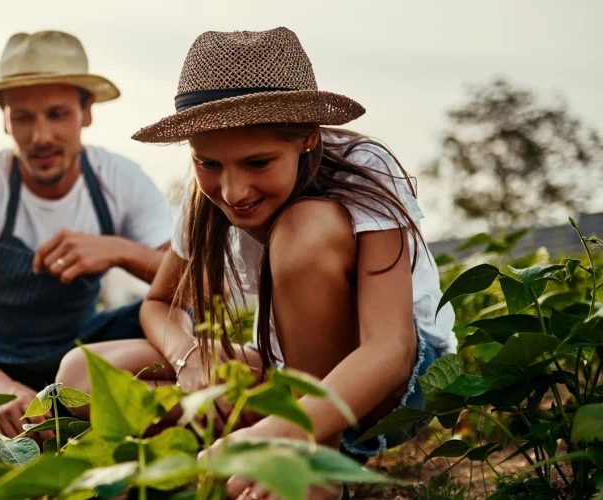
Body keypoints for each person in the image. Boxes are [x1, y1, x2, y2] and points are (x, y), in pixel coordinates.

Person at [55, 27, 456, 499]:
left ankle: (316, 470)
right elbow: (160, 304)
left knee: (303, 227)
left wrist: (279, 434)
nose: (232, 191)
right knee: (79, 374)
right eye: (208, 164)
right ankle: (231, 456)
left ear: (307, 137)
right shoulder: (205, 198)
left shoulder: (363, 166)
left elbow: (389, 349)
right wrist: (189, 360)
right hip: (285, 373)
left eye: (258, 163)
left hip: (390, 384)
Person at [0, 30, 174, 438]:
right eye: (23, 117)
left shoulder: (120, 180)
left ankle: (168, 399)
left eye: (57, 113)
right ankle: (76, 412)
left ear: (88, 111)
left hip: (79, 351)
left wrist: (118, 250)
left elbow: (194, 282)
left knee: (169, 310)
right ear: (5, 119)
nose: (41, 136)